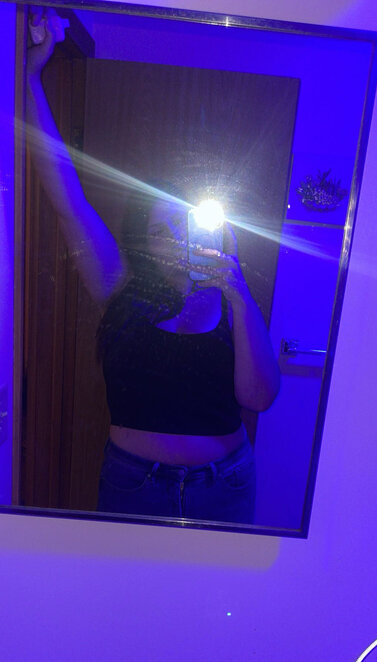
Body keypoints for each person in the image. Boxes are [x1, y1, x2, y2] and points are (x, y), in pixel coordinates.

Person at [25, 8, 280, 524]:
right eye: (162, 232)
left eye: (186, 227)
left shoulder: (234, 301)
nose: (176, 242)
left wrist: (238, 295)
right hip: (132, 483)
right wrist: (27, 75)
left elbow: (257, 398)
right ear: (144, 242)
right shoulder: (119, 285)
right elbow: (67, 195)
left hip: (225, 486)